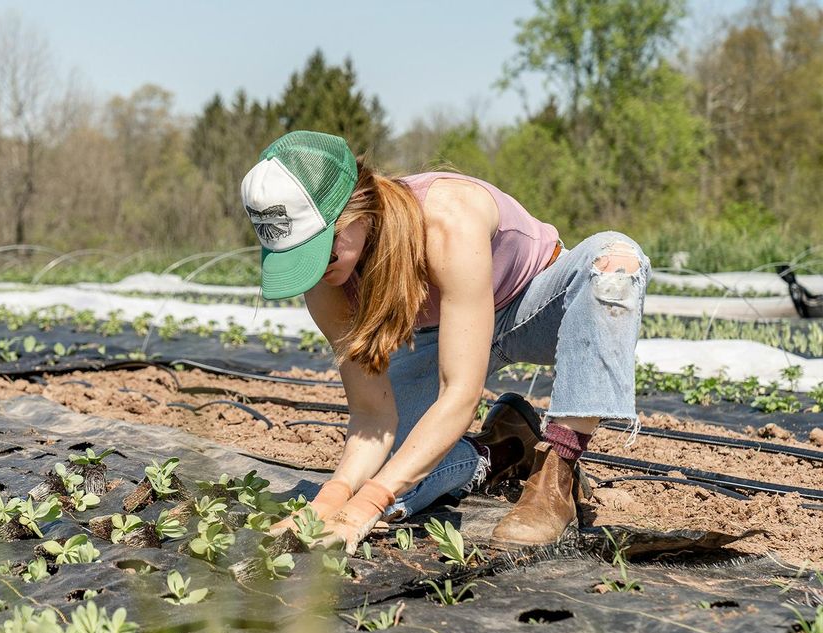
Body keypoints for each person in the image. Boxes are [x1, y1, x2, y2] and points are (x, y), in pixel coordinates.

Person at [241, 130, 650, 553]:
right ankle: (501, 449)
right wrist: (333, 499)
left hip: (535, 306)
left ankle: (556, 474)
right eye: (297, 258)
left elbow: (460, 394)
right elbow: (373, 415)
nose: (316, 270)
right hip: (444, 333)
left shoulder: (446, 218)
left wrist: (369, 504)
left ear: (357, 209)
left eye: (320, 251)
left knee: (615, 263)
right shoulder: (326, 282)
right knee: (391, 469)